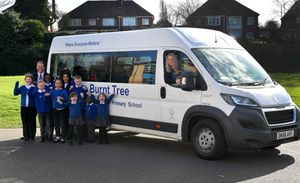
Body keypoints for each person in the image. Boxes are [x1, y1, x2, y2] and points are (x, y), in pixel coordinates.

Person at [14, 73, 36, 141]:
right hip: (24, 107)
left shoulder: (34, 88)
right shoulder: (22, 87)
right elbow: (15, 93)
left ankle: (32, 135)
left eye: (30, 79)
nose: (28, 80)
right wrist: (16, 85)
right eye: (27, 79)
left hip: (32, 107)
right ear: (25, 80)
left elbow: (34, 95)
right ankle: (26, 135)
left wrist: (30, 91)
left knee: (31, 121)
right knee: (25, 121)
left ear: (32, 80)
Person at [50, 78, 69, 143]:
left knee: (62, 123)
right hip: (55, 110)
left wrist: (62, 98)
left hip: (62, 110)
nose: (57, 85)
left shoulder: (64, 91)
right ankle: (57, 136)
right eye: (56, 83)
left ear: (61, 84)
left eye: (59, 83)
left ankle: (63, 136)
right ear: (54, 84)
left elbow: (67, 99)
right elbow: (50, 98)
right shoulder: (52, 91)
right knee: (56, 123)